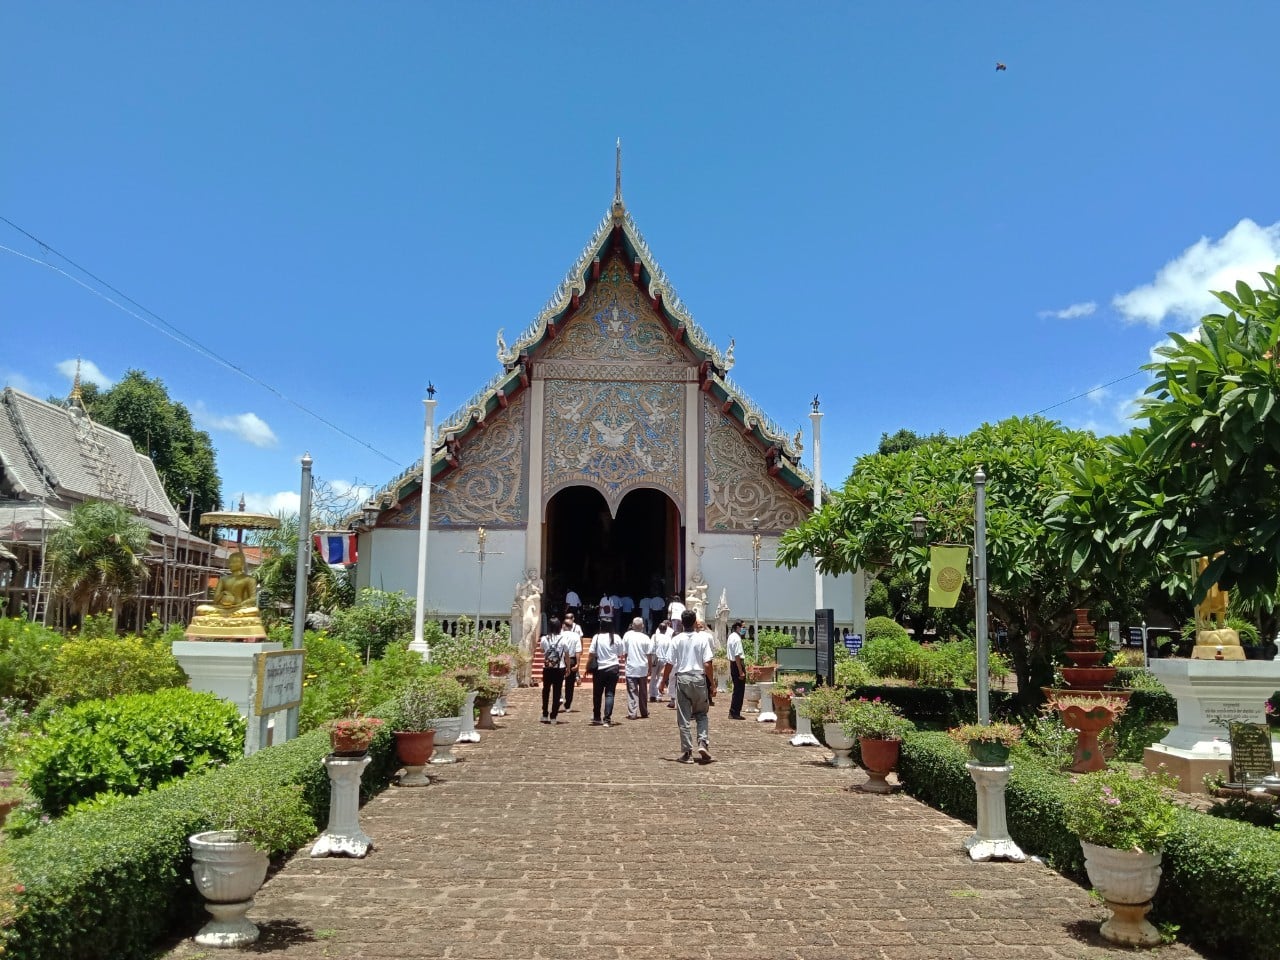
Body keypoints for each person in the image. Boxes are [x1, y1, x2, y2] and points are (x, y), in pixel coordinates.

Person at [659, 609, 715, 763]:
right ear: (695, 622)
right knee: (701, 714)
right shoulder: (702, 639)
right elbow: (707, 664)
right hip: (698, 678)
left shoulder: (676, 640)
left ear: (682, 623)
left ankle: (687, 752)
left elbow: (670, 663)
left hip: (683, 678)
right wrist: (712, 683)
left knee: (684, 717)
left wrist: (663, 681)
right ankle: (702, 742)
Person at [588, 626, 625, 726]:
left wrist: (588, 664)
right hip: (613, 668)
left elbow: (591, 652)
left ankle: (597, 716)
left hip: (600, 668)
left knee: (597, 694)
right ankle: (607, 719)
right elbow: (621, 652)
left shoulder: (597, 637)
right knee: (610, 694)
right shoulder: (616, 637)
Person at [622, 617, 655, 720]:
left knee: (632, 691)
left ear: (632, 625)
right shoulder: (646, 638)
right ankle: (644, 711)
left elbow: (625, 652)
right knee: (643, 691)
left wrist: (626, 662)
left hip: (631, 667)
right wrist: (650, 667)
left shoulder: (627, 636)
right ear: (643, 626)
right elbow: (649, 655)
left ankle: (632, 712)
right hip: (642, 667)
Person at [540, 616, 569, 724]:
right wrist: (568, 667)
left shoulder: (544, 639)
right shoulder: (563, 639)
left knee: (546, 690)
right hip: (559, 668)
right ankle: (553, 716)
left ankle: (544, 713)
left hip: (547, 668)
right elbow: (567, 654)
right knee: (557, 692)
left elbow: (542, 650)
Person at [561, 611, 583, 713]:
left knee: (558, 681)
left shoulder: (560, 635)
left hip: (561, 659)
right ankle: (568, 704)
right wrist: (578, 663)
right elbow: (578, 651)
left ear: (564, 625)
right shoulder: (576, 636)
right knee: (570, 684)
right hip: (572, 659)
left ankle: (559, 697)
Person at [726, 619, 747, 719]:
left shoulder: (731, 636)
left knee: (737, 689)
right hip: (737, 664)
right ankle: (735, 712)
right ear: (738, 627)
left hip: (733, 664)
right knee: (739, 690)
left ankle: (733, 711)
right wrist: (741, 671)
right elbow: (737, 656)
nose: (744, 629)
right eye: (743, 627)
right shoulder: (737, 639)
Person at [649, 619, 672, 702]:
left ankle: (652, 695)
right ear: (666, 629)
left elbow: (651, 648)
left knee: (653, 677)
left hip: (655, 658)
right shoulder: (668, 638)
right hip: (664, 659)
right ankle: (658, 695)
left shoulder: (654, 636)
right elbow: (670, 650)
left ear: (659, 629)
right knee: (660, 677)